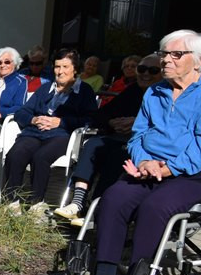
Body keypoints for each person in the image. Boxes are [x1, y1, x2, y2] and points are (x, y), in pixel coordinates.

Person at [77, 29, 201, 275]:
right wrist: (145, 160)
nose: (166, 60)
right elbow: (138, 135)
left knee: (155, 206)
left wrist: (169, 167)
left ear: (199, 61)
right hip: (151, 167)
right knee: (113, 197)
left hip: (198, 172)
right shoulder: (155, 91)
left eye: (176, 54)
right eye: (164, 54)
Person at [53, 55, 162, 225]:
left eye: (153, 70)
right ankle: (78, 202)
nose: (145, 74)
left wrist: (137, 123)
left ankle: (96, 210)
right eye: (141, 69)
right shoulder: (133, 90)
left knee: (117, 156)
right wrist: (111, 122)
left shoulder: (164, 95)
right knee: (92, 145)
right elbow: (101, 114)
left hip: (142, 145)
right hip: (117, 136)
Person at [2, 48, 97, 215]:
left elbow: (91, 119)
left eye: (65, 67)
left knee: (41, 157)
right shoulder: (45, 89)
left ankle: (36, 204)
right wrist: (34, 119)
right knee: (15, 154)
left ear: (75, 68)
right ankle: (12, 201)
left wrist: (60, 122)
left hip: (62, 135)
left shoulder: (84, 91)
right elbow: (22, 112)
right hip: (35, 132)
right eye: (57, 67)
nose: (60, 72)